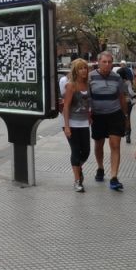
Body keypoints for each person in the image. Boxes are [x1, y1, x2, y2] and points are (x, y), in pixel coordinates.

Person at [88, 51, 127, 191]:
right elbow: (86, 96)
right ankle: (100, 167)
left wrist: (126, 116)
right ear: (98, 62)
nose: (107, 64)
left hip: (115, 114)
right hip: (98, 115)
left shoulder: (117, 78)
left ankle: (114, 177)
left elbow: (122, 97)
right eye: (104, 62)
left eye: (110, 62)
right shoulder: (90, 77)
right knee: (99, 144)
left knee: (115, 145)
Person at [62, 59, 91, 192]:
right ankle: (77, 181)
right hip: (72, 123)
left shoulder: (88, 84)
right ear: (75, 71)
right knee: (75, 151)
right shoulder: (70, 85)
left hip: (84, 123)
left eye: (85, 68)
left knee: (86, 151)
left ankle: (78, 169)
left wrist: (90, 116)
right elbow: (66, 106)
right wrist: (67, 126)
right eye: (80, 68)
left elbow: (89, 104)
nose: (83, 70)